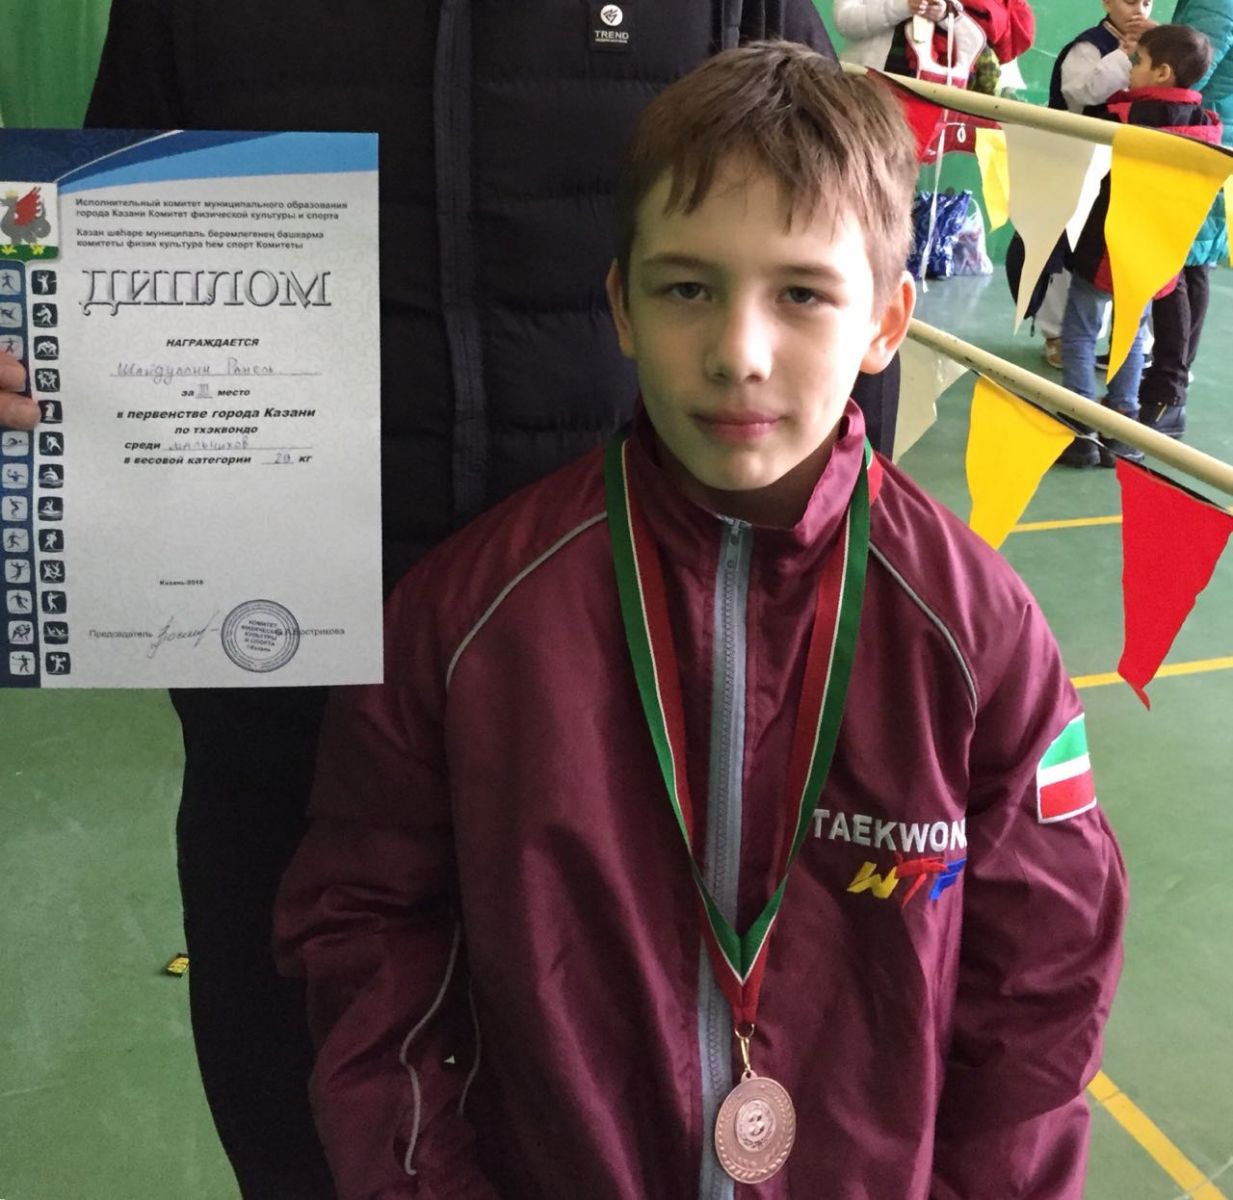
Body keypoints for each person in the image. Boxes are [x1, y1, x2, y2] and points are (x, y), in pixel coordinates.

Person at [0, 5, 902, 1199]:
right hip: (290, 732)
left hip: (633, 748)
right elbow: (91, 255)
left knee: (619, 1141)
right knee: (312, 1132)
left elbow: (835, 272)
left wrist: (821, 656)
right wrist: (37, 345)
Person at [274, 43, 1127, 1199]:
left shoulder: (977, 636)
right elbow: (371, 936)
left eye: (802, 294)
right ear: (621, 307)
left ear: (888, 322)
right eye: (688, 289)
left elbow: (1040, 992)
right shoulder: (469, 621)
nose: (739, 353)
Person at [1057, 22, 1221, 467]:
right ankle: (1122, 427)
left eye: (1138, 61)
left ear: (1162, 72)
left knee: (1080, 331)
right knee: (1132, 336)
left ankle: (1079, 427)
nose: (1131, 69)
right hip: (1158, 252)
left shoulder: (1124, 116)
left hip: (1106, 246)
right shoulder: (1207, 125)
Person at [1034, 0, 1157, 373]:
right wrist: (1124, 54)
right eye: (1129, 0)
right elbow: (1081, 94)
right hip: (1076, 163)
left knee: (1124, 253)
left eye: (1146, 1)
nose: (1139, 8)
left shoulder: (1160, 46)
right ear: (1106, 2)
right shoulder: (1088, 45)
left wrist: (1153, 50)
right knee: (1065, 248)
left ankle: (1131, 342)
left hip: (1128, 169)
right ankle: (1058, 335)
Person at [1139, 0, 1233, 437]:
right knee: (1191, 263)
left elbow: (1191, 68)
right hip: (1205, 133)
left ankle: (1167, 392)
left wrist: (1152, 46)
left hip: (1199, 136)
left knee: (1178, 266)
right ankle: (1167, 380)